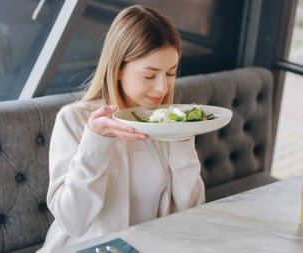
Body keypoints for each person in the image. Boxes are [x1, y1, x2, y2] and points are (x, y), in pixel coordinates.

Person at [37, 5, 205, 253]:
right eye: (150, 75)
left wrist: (181, 137)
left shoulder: (164, 122)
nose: (162, 88)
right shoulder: (74, 121)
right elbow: (73, 222)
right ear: (118, 69)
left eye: (170, 73)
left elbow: (192, 211)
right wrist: (95, 143)